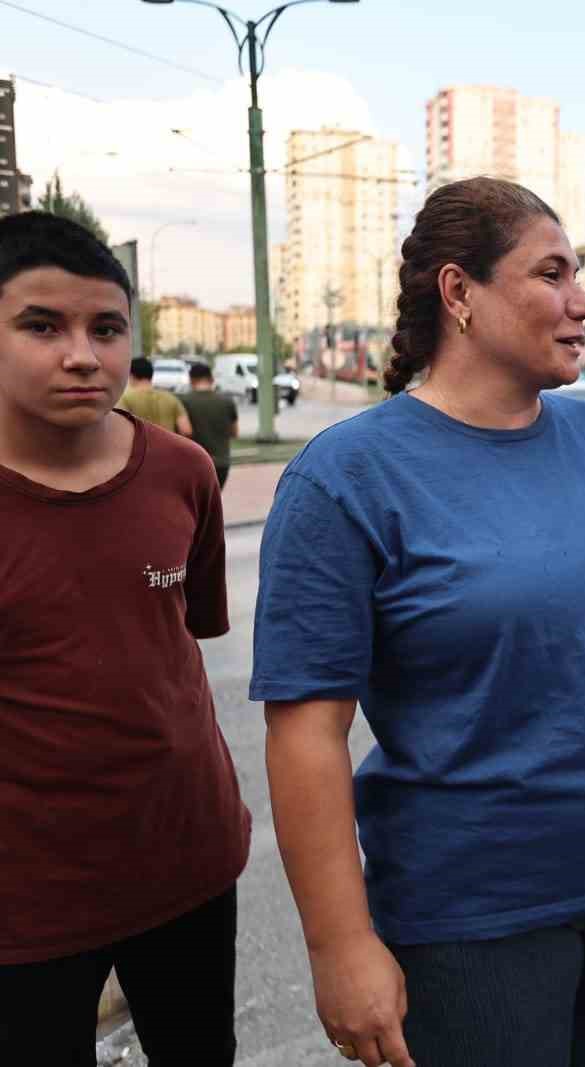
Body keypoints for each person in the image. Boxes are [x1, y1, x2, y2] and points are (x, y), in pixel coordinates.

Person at [251, 177, 585, 1067]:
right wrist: (340, 945)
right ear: (459, 292)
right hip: (475, 922)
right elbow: (307, 731)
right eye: (552, 273)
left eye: (579, 273)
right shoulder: (347, 477)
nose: (584, 301)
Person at [0, 211, 250, 1065]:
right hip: (27, 906)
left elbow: (185, 639)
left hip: (190, 866)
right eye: (42, 325)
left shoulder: (182, 473)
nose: (83, 354)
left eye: (106, 328)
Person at [180, 362, 239, 487]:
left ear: (191, 379)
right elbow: (235, 432)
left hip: (195, 462)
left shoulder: (184, 401)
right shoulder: (227, 402)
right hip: (222, 463)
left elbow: (184, 431)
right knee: (214, 503)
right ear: (211, 379)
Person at [117, 355, 192, 436]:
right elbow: (186, 430)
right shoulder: (171, 398)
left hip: (139, 447)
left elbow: (119, 431)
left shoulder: (125, 399)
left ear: (131, 375)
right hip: (167, 446)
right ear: (151, 375)